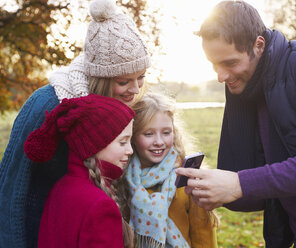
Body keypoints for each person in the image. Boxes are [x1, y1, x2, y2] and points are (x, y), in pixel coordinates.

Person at [176, 1, 296, 247]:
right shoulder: (247, 88)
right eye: (214, 64)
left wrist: (240, 183)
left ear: (258, 45)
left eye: (230, 63)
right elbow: (258, 193)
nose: (221, 76)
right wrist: (217, 188)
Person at [0, 0, 150, 246]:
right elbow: (12, 190)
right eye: (124, 81)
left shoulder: (121, 109)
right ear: (100, 77)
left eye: (141, 77)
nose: (135, 89)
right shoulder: (48, 104)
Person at [24, 94, 135, 248]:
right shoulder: (101, 206)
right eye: (123, 142)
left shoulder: (59, 187)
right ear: (94, 144)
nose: (130, 150)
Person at [126, 92, 218, 248]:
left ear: (174, 133)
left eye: (166, 133)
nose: (159, 142)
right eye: (148, 134)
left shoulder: (187, 176)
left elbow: (202, 231)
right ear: (133, 135)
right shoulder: (124, 177)